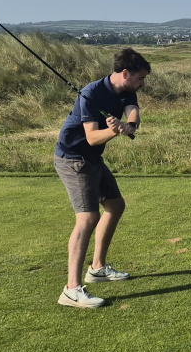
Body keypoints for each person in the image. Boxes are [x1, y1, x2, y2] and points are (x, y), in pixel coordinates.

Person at [53, 48, 150, 308]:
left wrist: (129, 125)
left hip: (93, 158)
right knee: (87, 218)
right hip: (73, 158)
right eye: (140, 78)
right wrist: (115, 131)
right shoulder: (91, 93)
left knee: (115, 205)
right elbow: (93, 137)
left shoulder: (127, 89)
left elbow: (132, 111)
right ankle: (71, 290)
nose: (142, 83)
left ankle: (97, 268)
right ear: (125, 73)